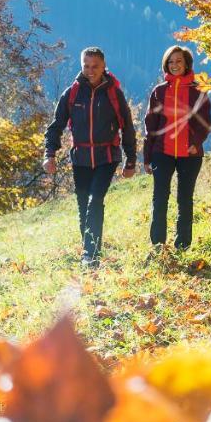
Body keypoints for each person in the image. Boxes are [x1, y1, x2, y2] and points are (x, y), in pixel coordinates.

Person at [43, 46, 137, 266]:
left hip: (107, 156)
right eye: (86, 66)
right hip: (81, 157)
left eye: (95, 66)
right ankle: (89, 247)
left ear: (104, 66)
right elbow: (56, 125)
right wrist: (50, 153)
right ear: (81, 65)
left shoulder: (114, 93)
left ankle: (90, 255)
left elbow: (128, 127)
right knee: (83, 204)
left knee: (95, 201)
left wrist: (130, 159)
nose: (90, 70)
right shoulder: (73, 92)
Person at [143, 45, 211, 250]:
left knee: (185, 198)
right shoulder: (159, 91)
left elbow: (205, 122)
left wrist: (196, 143)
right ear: (166, 64)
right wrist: (147, 157)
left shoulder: (198, 91)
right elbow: (150, 126)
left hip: (190, 154)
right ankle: (157, 244)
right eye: (171, 62)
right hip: (161, 152)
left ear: (186, 63)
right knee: (160, 197)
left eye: (178, 61)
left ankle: (182, 244)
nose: (174, 65)